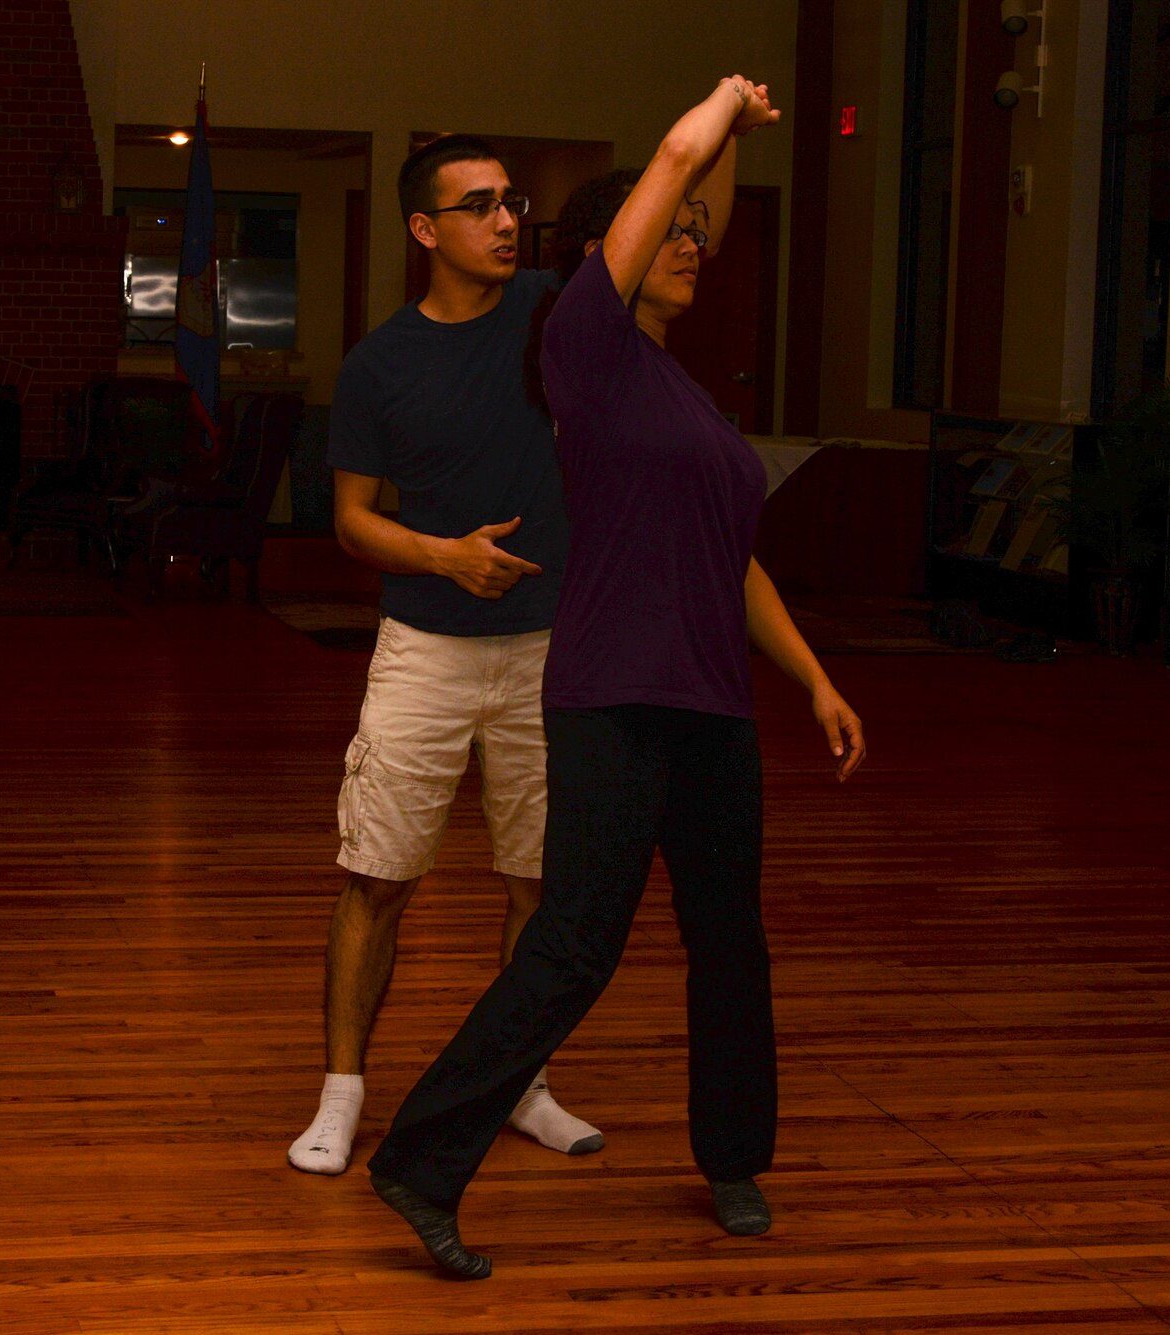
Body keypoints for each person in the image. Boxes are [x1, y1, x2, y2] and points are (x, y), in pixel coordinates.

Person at [366, 77, 867, 1278]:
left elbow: (728, 559)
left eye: (700, 238)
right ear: (611, 255)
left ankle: (732, 1160)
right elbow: (669, 171)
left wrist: (809, 676)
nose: (694, 250)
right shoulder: (584, 349)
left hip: (711, 702)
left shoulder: (683, 394)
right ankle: (418, 1162)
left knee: (729, 940)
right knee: (575, 945)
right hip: (609, 694)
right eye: (673, 236)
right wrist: (719, 112)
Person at [289, 134, 723, 1176]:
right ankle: (340, 1096)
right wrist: (443, 556)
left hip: (549, 649)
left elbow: (653, 224)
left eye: (509, 203)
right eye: (476, 206)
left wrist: (713, 137)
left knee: (536, 882)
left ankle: (518, 1086)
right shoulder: (378, 363)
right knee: (377, 877)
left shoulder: (551, 314)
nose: (502, 221)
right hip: (423, 650)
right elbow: (349, 521)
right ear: (423, 230)